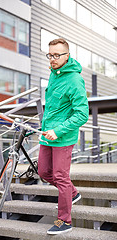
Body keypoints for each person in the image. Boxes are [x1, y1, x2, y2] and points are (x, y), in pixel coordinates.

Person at [38, 38, 89, 235]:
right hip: (46, 135)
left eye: (57, 55)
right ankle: (72, 192)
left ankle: (64, 220)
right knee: (43, 172)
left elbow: (82, 114)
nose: (52, 59)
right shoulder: (54, 75)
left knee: (60, 176)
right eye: (50, 55)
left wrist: (58, 130)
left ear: (67, 56)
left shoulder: (75, 80)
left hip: (63, 138)